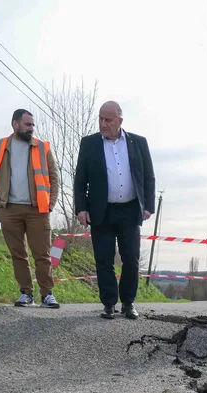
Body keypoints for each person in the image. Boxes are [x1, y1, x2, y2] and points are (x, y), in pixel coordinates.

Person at [74, 101, 156, 320]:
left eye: (108, 120)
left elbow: (148, 175)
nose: (103, 123)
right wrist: (81, 208)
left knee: (131, 259)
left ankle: (128, 303)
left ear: (120, 120)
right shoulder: (89, 144)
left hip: (130, 210)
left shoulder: (138, 142)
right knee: (104, 259)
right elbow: (80, 179)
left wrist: (148, 206)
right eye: (100, 119)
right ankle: (109, 303)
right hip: (101, 211)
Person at [0, 109, 62, 308]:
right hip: (9, 210)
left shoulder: (43, 147)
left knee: (42, 255)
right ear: (15, 124)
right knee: (18, 254)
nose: (32, 128)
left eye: (32, 125)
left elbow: (54, 178)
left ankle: (47, 294)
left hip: (38, 210)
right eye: (28, 124)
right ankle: (26, 293)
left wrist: (50, 204)